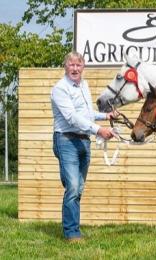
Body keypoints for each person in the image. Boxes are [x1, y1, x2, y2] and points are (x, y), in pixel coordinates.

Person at [51, 51, 118, 242]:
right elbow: (72, 117)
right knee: (72, 186)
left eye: (78, 65)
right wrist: (99, 130)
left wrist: (106, 116)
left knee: (78, 187)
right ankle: (71, 233)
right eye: (71, 65)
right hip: (66, 140)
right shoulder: (60, 89)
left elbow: (86, 113)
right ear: (65, 67)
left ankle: (74, 229)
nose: (74, 68)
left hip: (83, 140)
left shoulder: (84, 85)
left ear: (83, 67)